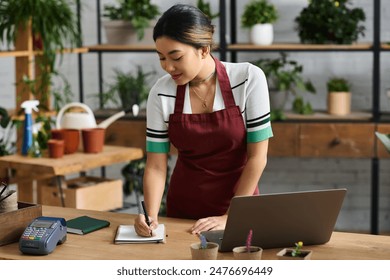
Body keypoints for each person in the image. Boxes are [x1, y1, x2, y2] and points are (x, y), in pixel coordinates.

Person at [135, 4, 273, 237]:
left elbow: (257, 157)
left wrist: (231, 217)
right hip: (183, 215)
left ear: (204, 49)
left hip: (239, 208)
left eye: (176, 57)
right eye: (161, 58)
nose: (168, 67)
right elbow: (157, 166)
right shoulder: (161, 92)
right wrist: (150, 216)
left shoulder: (248, 78)